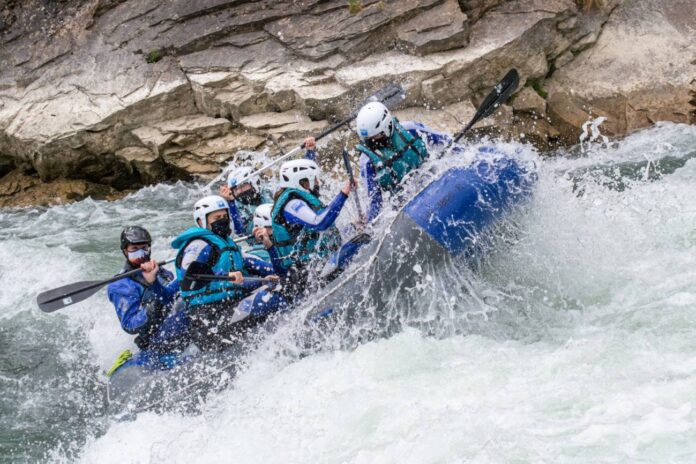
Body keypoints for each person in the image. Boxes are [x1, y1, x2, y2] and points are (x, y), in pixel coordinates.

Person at [171, 195, 280, 351]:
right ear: (201, 221)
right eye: (217, 218)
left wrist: (262, 280)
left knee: (274, 286)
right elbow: (189, 272)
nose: (223, 221)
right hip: (209, 320)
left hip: (228, 308)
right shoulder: (198, 244)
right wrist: (226, 276)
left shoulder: (228, 244)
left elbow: (234, 285)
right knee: (273, 296)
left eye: (225, 216)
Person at [106, 226, 188, 376]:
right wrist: (154, 306)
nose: (141, 252)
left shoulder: (162, 273)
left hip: (176, 326)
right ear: (125, 251)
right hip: (155, 340)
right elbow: (129, 325)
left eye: (144, 248)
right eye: (134, 248)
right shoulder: (121, 285)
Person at [355, 102, 452, 222]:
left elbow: (447, 142)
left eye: (375, 137)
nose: (372, 143)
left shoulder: (410, 128)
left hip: (434, 181)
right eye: (368, 140)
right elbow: (375, 201)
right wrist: (370, 224)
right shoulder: (367, 160)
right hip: (406, 205)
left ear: (387, 127)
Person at [268, 159, 353, 296]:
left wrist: (353, 226)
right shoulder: (291, 204)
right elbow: (319, 223)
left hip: (320, 263)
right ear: (302, 182)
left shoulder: (299, 200)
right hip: (308, 273)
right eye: (314, 179)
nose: (318, 183)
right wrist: (343, 194)